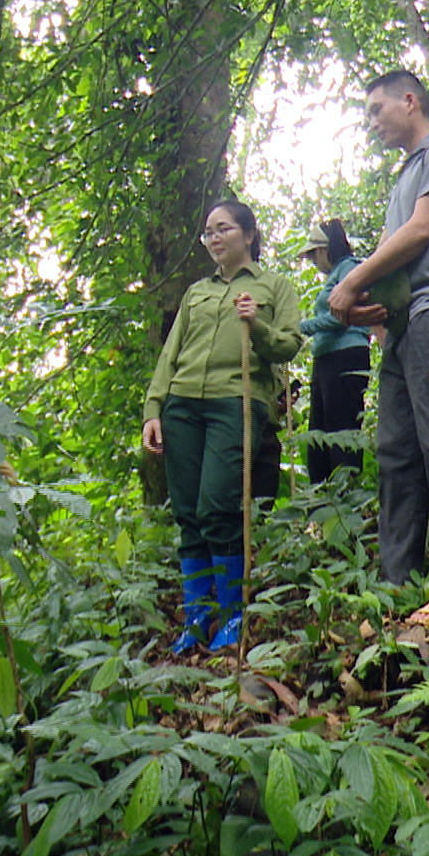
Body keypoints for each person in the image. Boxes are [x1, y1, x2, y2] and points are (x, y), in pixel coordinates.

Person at [327, 69, 429, 625]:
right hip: (403, 329)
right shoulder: (405, 176)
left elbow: (422, 231)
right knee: (397, 456)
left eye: (376, 109)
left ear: (409, 101)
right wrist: (367, 308)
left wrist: (351, 280)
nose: (371, 122)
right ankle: (396, 585)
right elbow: (395, 257)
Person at [143, 201, 303, 653]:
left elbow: (289, 344)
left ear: (249, 234)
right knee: (188, 512)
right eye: (208, 232)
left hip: (236, 402)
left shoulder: (274, 286)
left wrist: (257, 323)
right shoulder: (197, 292)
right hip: (182, 405)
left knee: (218, 505)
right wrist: (153, 408)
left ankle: (233, 614)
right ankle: (197, 619)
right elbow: (171, 352)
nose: (213, 238)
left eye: (223, 229)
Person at [297, 220, 372, 483]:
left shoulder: (350, 269)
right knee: (320, 436)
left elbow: (342, 315)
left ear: (325, 249)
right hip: (326, 359)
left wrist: (301, 327)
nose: (313, 261)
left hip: (346, 357)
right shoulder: (334, 276)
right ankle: (323, 497)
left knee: (342, 433)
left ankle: (346, 493)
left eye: (313, 254)